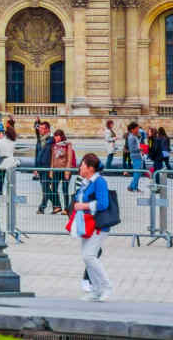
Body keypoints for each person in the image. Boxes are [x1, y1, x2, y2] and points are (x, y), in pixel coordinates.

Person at [71, 153, 115, 302]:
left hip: (98, 224)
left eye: (82, 165)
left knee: (89, 256)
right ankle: (96, 289)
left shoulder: (99, 181)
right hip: (87, 224)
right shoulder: (86, 182)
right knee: (87, 257)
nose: (80, 167)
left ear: (90, 168)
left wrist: (83, 205)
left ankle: (106, 286)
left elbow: (103, 203)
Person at [51, 129, 76, 214]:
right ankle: (57, 206)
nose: (56, 138)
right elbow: (52, 159)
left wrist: (67, 171)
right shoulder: (54, 145)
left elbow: (69, 158)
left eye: (57, 136)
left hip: (65, 170)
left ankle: (66, 208)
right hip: (56, 170)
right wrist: (51, 170)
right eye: (55, 136)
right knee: (54, 188)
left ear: (61, 136)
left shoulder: (67, 145)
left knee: (65, 189)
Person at [0, 126, 18, 194]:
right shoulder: (13, 143)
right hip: (11, 164)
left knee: (0, 182)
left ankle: (0, 194)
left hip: (1, 164)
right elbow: (13, 152)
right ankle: (10, 198)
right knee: (10, 183)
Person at [126, 122, 144, 192]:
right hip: (135, 156)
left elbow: (136, 145)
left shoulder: (134, 136)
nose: (138, 129)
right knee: (137, 173)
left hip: (137, 156)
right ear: (132, 129)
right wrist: (139, 149)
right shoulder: (131, 137)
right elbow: (132, 149)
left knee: (138, 173)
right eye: (137, 128)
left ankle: (134, 187)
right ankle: (132, 187)